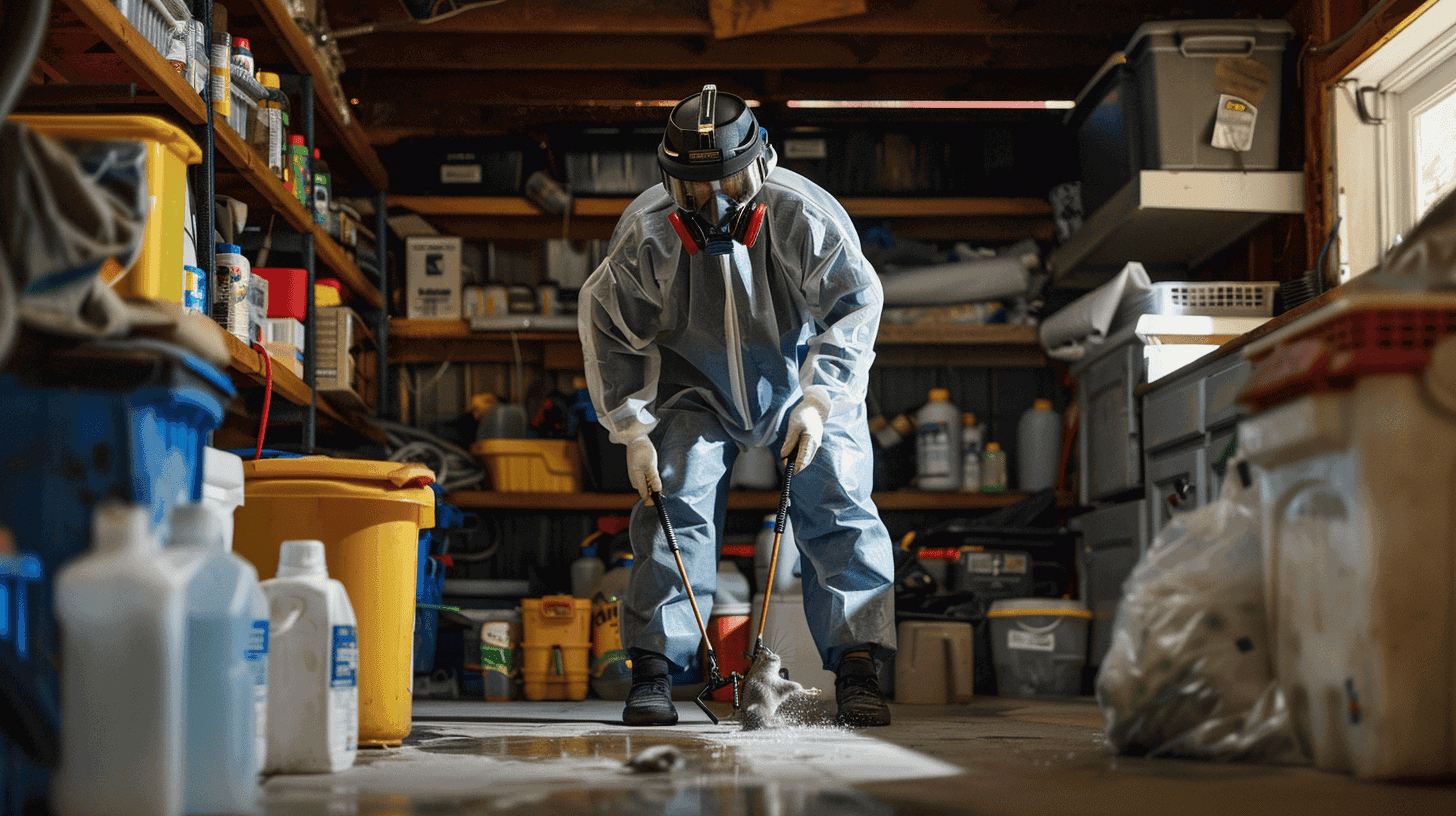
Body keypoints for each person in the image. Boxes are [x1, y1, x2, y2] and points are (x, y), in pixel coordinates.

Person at [578, 85, 896, 727]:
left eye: (730, 180)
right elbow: (609, 326)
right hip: (692, 392)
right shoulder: (647, 235)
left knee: (837, 501)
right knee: (676, 508)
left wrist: (820, 398)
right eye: (695, 189)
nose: (716, 202)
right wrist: (634, 430)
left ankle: (859, 670)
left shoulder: (803, 215)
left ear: (762, 163)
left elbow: (854, 304)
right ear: (672, 182)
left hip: (800, 385)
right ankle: (654, 675)